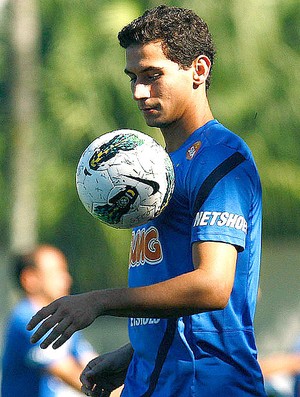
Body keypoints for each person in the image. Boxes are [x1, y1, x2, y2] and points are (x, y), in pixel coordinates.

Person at [27, 5, 267, 396]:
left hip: (205, 385)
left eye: (153, 76)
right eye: (134, 77)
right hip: (153, 382)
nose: (140, 91)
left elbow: (212, 285)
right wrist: (133, 353)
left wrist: (99, 301)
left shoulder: (221, 158)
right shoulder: (153, 169)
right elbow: (174, 296)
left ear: (199, 70)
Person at [1, 244, 97, 397]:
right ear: (30, 279)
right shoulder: (26, 319)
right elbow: (72, 375)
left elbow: (93, 365)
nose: (67, 279)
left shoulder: (63, 320)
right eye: (56, 272)